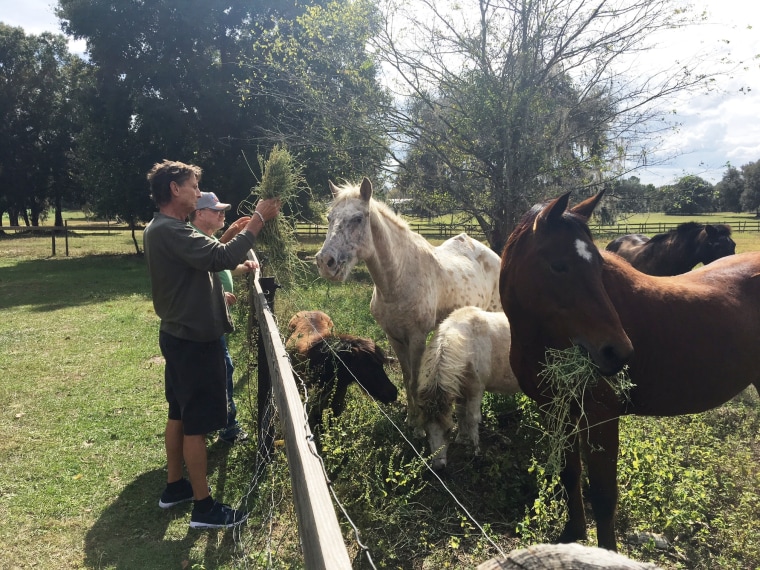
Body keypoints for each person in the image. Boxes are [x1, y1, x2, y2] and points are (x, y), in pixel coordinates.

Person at [143, 159, 280, 530]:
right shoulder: (170, 230)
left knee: (179, 413)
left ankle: (175, 487)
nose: (197, 193)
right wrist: (259, 220)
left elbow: (206, 260)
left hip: (179, 335)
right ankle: (204, 509)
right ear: (175, 189)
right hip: (194, 341)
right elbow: (220, 257)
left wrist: (233, 233)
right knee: (196, 426)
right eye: (192, 186)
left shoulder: (164, 229)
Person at [189, 191, 251, 444]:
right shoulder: (196, 241)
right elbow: (194, 281)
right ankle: (227, 427)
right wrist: (216, 295)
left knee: (220, 369)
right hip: (205, 322)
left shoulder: (206, 239)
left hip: (212, 318)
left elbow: (221, 267)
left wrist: (245, 267)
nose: (222, 214)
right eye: (216, 211)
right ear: (200, 213)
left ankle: (212, 422)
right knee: (222, 370)